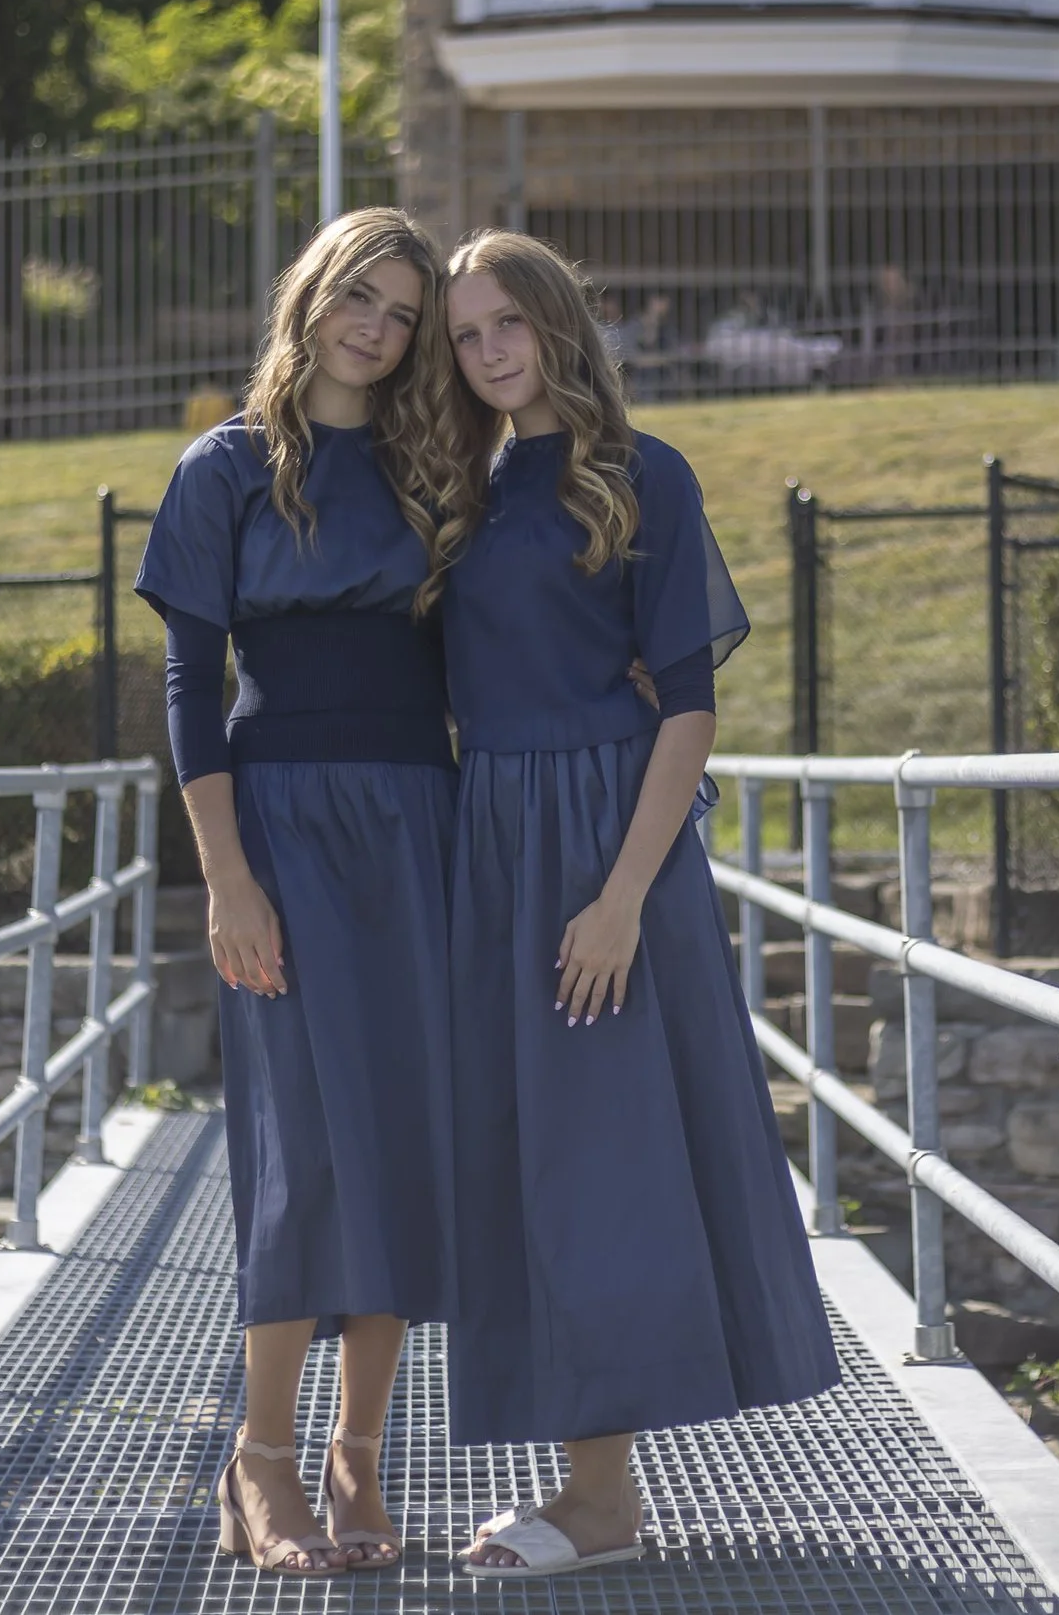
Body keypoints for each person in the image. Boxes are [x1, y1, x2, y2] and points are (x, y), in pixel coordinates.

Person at [426, 229, 841, 1579]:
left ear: (558, 326)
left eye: (509, 325)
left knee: (603, 1159)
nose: (491, 351)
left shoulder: (643, 477)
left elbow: (691, 710)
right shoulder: (462, 490)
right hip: (491, 844)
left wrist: (618, 899)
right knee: (530, 1162)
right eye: (469, 333)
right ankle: (590, 1486)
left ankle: (602, 1500)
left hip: (608, 845)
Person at [133, 207, 463, 1577]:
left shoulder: (439, 468)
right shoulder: (223, 470)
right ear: (313, 292)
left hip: (417, 828)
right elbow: (187, 694)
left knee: (399, 1136)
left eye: (401, 312)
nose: (375, 327)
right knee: (296, 1149)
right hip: (277, 829)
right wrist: (226, 881)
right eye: (359, 298)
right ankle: (259, 1459)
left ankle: (359, 1456)